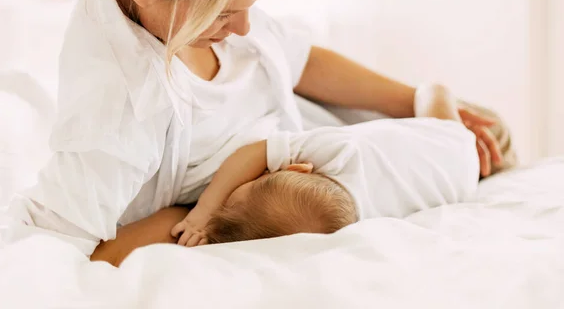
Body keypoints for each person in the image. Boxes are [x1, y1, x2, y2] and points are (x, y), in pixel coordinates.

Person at [0, 0, 516, 267]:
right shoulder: (119, 113)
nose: (245, 29)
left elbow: (295, 57)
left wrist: (417, 106)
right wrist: (217, 215)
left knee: (489, 131)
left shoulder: (187, 2)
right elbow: (73, 248)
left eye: (252, 5)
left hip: (313, 139)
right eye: (225, 12)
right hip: (273, 190)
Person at [171, 84, 480, 246]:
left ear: (298, 168)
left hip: (460, 177)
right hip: (451, 144)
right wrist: (211, 218)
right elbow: (258, 154)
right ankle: (439, 92)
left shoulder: (360, 215)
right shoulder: (338, 153)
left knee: (433, 97)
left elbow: (254, 153)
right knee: (432, 92)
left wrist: (203, 212)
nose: (253, 174)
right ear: (297, 168)